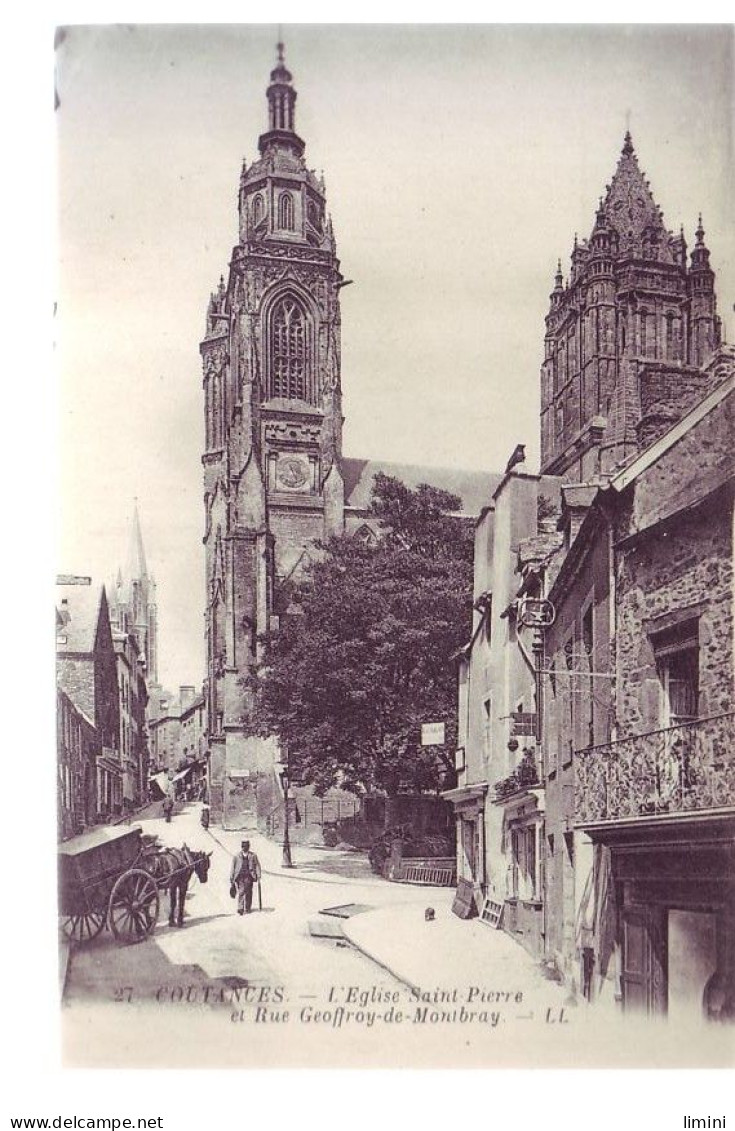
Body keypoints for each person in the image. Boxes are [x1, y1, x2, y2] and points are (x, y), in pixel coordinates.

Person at [230, 839, 262, 915]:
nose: (245, 848)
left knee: (248, 891)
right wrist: (231, 876)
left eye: (246, 846)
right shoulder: (237, 856)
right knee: (241, 891)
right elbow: (233, 867)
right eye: (243, 846)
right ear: (242, 847)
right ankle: (240, 908)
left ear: (249, 847)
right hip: (239, 876)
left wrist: (258, 875)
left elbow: (257, 865)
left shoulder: (253, 855)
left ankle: (247, 907)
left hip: (249, 876)